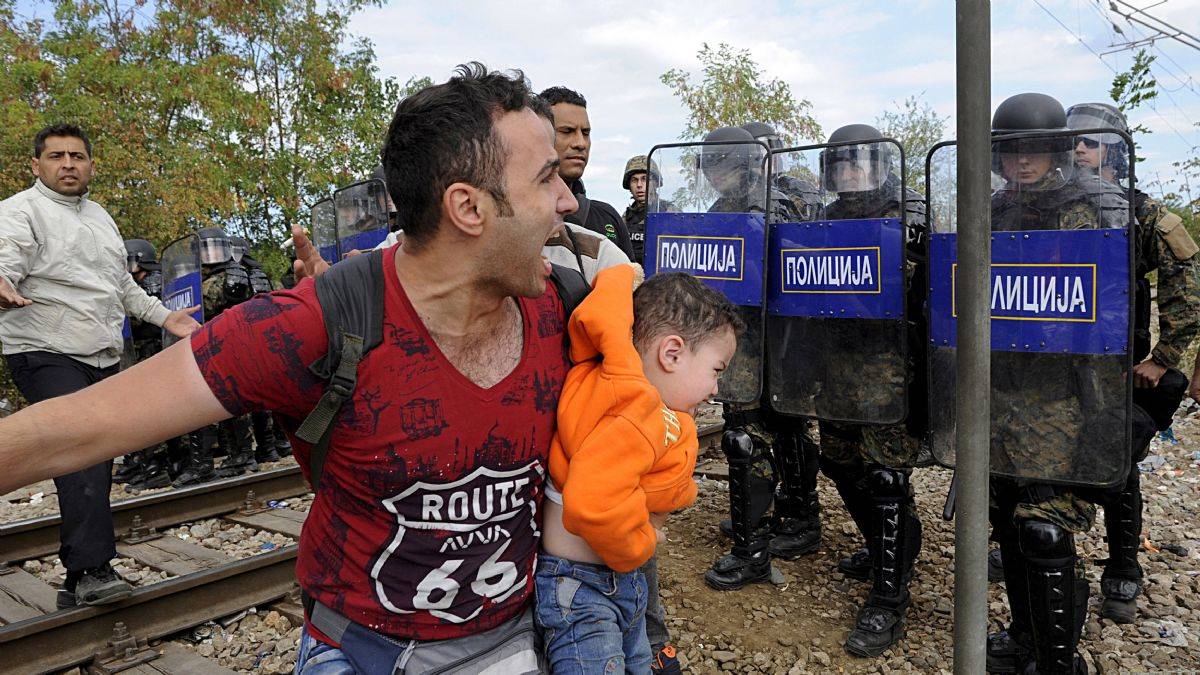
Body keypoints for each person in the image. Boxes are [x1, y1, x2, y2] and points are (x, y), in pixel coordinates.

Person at [0, 63, 574, 673]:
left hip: (515, 640)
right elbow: (73, 429)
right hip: (358, 651)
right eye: (546, 179)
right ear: (468, 207)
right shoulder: (310, 326)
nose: (567, 199)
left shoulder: (567, 308)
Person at [0, 123, 199, 608]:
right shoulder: (19, 212)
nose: (67, 164)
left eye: (77, 156)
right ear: (36, 165)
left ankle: (76, 574)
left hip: (99, 352)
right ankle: (91, 570)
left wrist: (165, 316)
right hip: (45, 348)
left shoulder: (101, 218)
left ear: (90, 165)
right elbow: (6, 257)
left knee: (97, 453)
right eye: (55, 156)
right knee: (82, 449)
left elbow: (122, 288)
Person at [982, 93, 1134, 675]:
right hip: (999, 392)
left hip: (1061, 397)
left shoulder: (1085, 209)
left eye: (1036, 150)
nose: (1022, 163)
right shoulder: (994, 209)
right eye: (1011, 152)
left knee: (1045, 528)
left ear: (1057, 151)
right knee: (1007, 521)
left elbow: (1103, 315)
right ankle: (1025, 636)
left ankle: (1059, 662)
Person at [537, 265, 740, 673]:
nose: (716, 388)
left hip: (610, 579)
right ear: (672, 353)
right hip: (584, 585)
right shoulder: (630, 413)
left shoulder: (628, 390)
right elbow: (592, 502)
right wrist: (641, 542)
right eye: (716, 370)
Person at [699, 126, 822, 598]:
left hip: (782, 342)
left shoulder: (777, 200)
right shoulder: (719, 210)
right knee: (750, 435)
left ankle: (775, 534)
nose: (717, 174)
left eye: (726, 162)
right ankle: (772, 528)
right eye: (711, 164)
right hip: (744, 346)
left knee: (769, 432)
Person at [539, 86, 635, 258]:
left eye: (586, 133)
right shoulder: (515, 213)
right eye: (567, 131)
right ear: (538, 133)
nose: (580, 143)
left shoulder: (608, 218)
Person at [229, 234, 293, 464]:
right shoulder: (263, 274)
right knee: (270, 397)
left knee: (252, 399)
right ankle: (276, 445)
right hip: (270, 340)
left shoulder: (234, 277)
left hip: (247, 341)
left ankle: (265, 448)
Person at [621, 154, 655, 264]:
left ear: (655, 183)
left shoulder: (668, 213)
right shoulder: (626, 218)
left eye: (645, 179)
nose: (639, 185)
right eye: (634, 180)